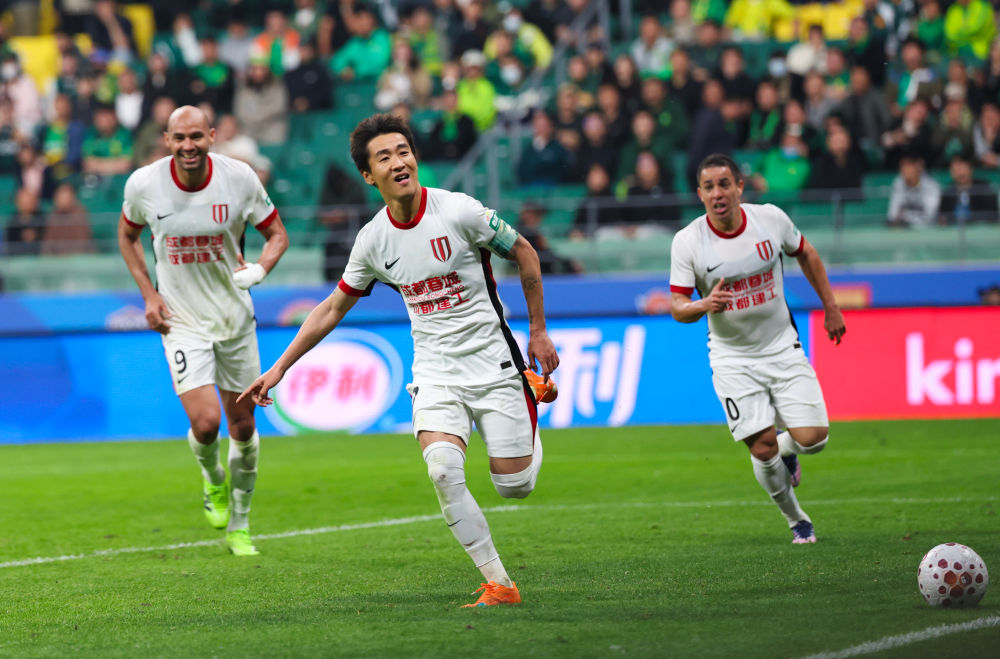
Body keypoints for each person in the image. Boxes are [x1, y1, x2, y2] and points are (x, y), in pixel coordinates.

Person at [239, 113, 560, 607]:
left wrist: (537, 332)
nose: (398, 162)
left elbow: (524, 252)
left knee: (514, 486)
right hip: (435, 371)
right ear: (369, 175)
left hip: (494, 363)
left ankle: (528, 392)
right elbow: (332, 308)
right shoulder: (373, 240)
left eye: (403, 151)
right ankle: (500, 583)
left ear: (415, 157)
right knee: (442, 471)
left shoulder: (460, 211)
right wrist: (279, 369)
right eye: (384, 157)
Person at [117, 106, 290, 557]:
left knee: (244, 428)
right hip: (181, 321)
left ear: (212, 136)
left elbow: (277, 235)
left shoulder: (239, 178)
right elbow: (127, 236)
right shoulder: (144, 184)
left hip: (234, 320)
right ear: (167, 140)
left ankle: (240, 525)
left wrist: (260, 268)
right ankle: (213, 478)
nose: (188, 145)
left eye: (196, 136)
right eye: (179, 138)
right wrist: (149, 295)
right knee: (207, 423)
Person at [669, 153, 846, 544]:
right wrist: (704, 304)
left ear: (740, 187)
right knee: (762, 448)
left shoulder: (770, 219)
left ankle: (788, 448)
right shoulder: (688, 242)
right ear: (700, 194)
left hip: (782, 347)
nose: (718, 193)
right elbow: (678, 307)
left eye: (724, 184)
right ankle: (797, 520)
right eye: (709, 187)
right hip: (732, 359)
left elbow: (806, 253)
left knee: (815, 438)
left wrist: (830, 307)